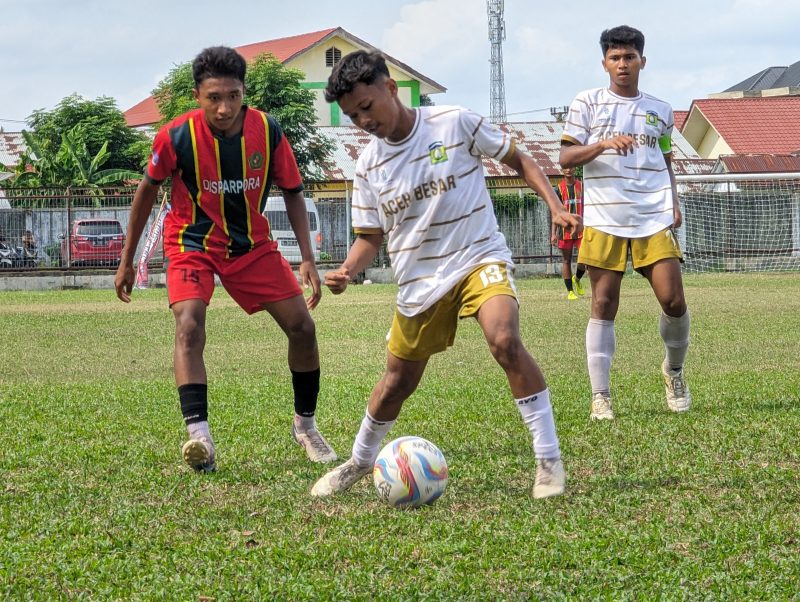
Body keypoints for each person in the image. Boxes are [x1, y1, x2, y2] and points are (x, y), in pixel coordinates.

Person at [310, 50, 582, 500]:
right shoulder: (368, 165)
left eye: (367, 106)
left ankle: (548, 459)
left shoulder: (454, 122)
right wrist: (346, 269)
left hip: (479, 256)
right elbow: (369, 238)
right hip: (419, 281)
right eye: (353, 115)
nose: (363, 121)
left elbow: (521, 161)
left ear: (391, 88)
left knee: (504, 339)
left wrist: (555, 206)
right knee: (396, 383)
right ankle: (359, 461)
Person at [114, 46, 336, 472]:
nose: (224, 108)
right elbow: (146, 192)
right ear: (197, 95)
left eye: (233, 96)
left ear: (243, 92)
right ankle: (200, 437)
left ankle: (306, 427)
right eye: (213, 97)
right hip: (191, 244)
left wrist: (308, 258)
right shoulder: (175, 136)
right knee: (189, 324)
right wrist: (127, 260)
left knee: (303, 328)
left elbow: (293, 191)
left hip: (251, 246)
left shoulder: (267, 131)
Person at [559, 25, 691, 421]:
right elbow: (565, 159)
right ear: (604, 63)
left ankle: (674, 372)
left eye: (629, 57)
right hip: (605, 217)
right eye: (615, 57)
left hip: (652, 215)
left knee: (674, 300)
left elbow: (665, 160)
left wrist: (673, 199)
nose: (622, 64)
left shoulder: (661, 110)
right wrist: (602, 144)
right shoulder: (587, 102)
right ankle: (600, 395)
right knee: (603, 304)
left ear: (642, 62)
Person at [550, 167, 586, 300]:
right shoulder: (558, 189)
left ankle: (577, 278)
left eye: (571, 167)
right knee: (566, 260)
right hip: (564, 230)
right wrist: (553, 233)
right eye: (566, 168)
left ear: (575, 169)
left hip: (581, 229)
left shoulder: (582, 187)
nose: (569, 170)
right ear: (562, 170)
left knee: (585, 257)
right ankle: (570, 291)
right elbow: (555, 212)